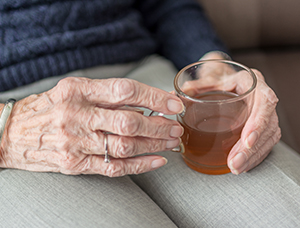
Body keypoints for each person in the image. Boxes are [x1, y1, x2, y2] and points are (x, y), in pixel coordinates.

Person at [0, 0, 299, 227]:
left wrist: (211, 65)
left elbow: (166, 5)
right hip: (18, 112)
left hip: (144, 76)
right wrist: (8, 130)